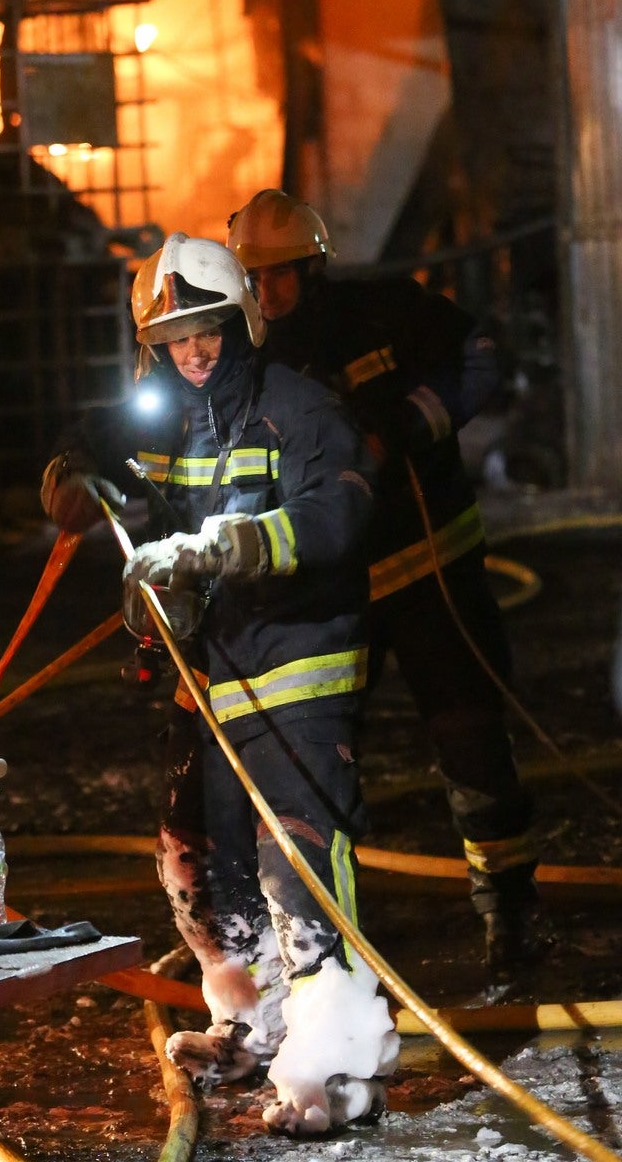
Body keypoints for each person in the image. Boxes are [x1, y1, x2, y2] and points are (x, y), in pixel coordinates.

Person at [40, 232, 400, 1136]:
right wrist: (85, 474)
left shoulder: (300, 410)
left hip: (298, 668)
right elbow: (97, 494)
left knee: (301, 862)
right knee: (198, 856)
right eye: (174, 341)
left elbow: (337, 513)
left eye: (207, 331)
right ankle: (250, 1023)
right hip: (213, 682)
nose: (193, 353)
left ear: (241, 321)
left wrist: (226, 545)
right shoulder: (171, 422)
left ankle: (340, 1072)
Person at [226, 189, 548, 979]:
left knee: (472, 740)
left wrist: (408, 422)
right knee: (319, 762)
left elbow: (480, 358)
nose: (267, 296)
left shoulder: (384, 314)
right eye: (253, 280)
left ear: (314, 266)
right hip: (335, 597)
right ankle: (326, 946)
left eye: (280, 278)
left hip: (433, 571)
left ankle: (507, 915)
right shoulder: (250, 362)